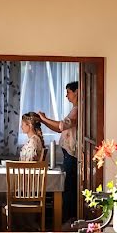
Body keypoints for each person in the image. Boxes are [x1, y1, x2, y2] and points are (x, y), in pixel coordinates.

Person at [38, 81, 79, 222]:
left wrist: (44, 118)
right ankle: (69, 219)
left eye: (68, 92)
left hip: (72, 155)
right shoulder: (74, 109)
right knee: (68, 186)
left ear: (77, 92)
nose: (66, 95)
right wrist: (44, 121)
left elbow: (63, 125)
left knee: (69, 188)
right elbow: (60, 128)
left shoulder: (78, 109)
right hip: (68, 154)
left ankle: (70, 220)